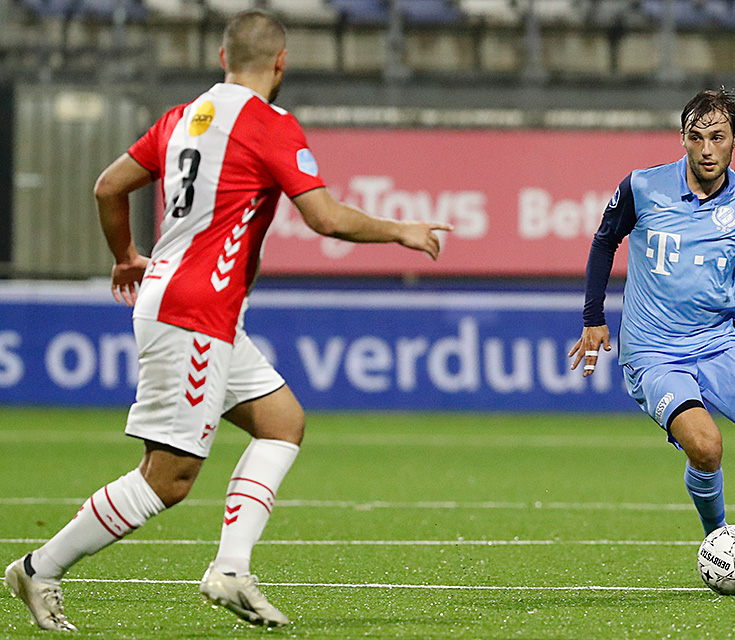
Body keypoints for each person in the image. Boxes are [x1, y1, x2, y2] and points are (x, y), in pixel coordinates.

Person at [3, 9, 452, 632]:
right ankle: (39, 567)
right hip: (195, 311)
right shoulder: (267, 124)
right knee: (169, 480)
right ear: (281, 63)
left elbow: (109, 186)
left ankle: (232, 570)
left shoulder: (183, 117)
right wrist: (400, 229)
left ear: (221, 58)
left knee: (281, 422)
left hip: (185, 302)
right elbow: (324, 218)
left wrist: (126, 257)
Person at [569, 89, 735, 594]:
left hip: (719, 344)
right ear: (683, 138)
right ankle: (721, 546)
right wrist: (593, 316)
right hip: (654, 350)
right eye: (697, 137)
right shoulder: (642, 186)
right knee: (706, 448)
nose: (707, 149)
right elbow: (604, 240)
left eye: (718, 138)